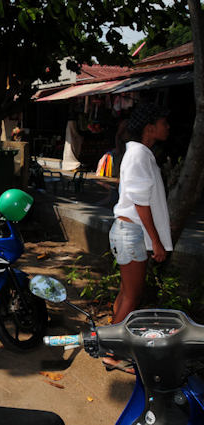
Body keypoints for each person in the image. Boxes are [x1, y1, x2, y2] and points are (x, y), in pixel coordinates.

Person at [103, 102, 172, 373]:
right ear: (150, 128)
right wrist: (155, 241)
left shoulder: (139, 153)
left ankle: (110, 341)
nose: (168, 127)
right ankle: (112, 353)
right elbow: (141, 203)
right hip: (131, 232)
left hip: (127, 232)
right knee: (132, 296)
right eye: (163, 122)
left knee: (126, 294)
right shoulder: (140, 154)